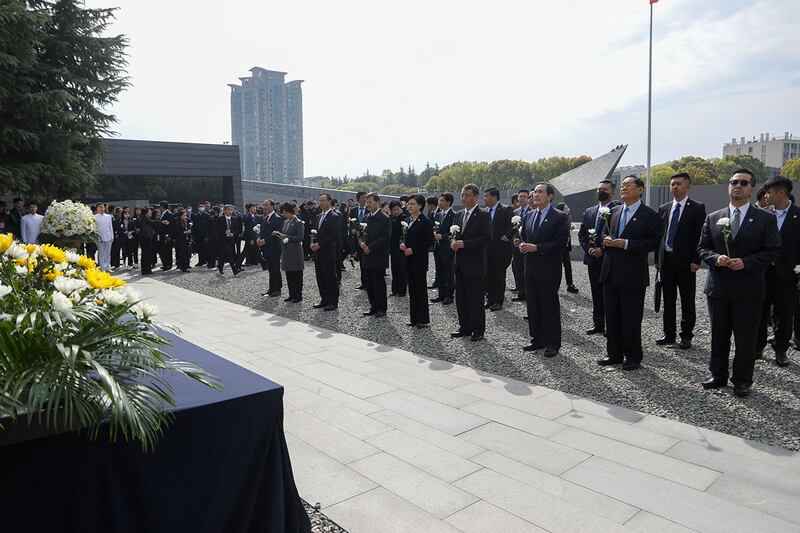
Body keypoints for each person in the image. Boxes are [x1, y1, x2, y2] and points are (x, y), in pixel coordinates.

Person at [698, 169, 781, 396]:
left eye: (743, 183)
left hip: (748, 289)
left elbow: (773, 250)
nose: (738, 186)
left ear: (752, 189)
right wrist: (716, 258)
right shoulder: (713, 218)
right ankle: (718, 374)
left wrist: (746, 262)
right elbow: (702, 248)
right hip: (719, 288)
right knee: (718, 334)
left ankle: (743, 379)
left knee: (746, 338)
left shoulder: (765, 219)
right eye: (733, 182)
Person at [597, 175, 662, 371]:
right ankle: (614, 353)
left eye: (629, 185)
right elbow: (602, 233)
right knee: (612, 315)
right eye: (623, 185)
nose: (624, 188)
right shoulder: (614, 211)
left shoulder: (650, 215)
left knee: (631, 318)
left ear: (640, 189)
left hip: (633, 275)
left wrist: (626, 244)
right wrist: (605, 240)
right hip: (611, 272)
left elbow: (654, 242)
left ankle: (633, 356)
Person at [655, 172, 706, 349]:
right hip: (667, 262)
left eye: (678, 184)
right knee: (668, 300)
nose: (674, 187)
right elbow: (659, 237)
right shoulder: (664, 208)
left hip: (686, 263)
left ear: (688, 186)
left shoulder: (697, 208)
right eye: (672, 184)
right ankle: (668, 334)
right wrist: (657, 260)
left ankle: (686, 335)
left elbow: (700, 236)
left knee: (687, 300)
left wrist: (696, 260)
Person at [519, 183, 570, 357]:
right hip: (530, 267)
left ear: (550, 196)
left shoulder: (560, 217)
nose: (535, 195)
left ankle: (552, 343)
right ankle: (537, 339)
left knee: (549, 305)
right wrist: (522, 245)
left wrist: (537, 248)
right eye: (534, 193)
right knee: (533, 304)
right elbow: (526, 237)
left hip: (548, 268)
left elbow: (560, 243)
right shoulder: (529, 215)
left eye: (540, 192)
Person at [756, 175, 799, 367]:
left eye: (769, 192)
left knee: (785, 313)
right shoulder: (763, 214)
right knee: (759, 310)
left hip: (787, 274)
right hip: (762, 273)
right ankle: (757, 347)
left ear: (781, 193)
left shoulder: (798, 216)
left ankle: (781, 350)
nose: (765, 196)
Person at [450, 184, 492, 342]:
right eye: (462, 195)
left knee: (475, 298)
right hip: (459, 262)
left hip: (475, 263)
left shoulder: (483, 214)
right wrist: (452, 242)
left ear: (476, 197)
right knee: (460, 297)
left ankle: (477, 329)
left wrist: (465, 244)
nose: (463, 198)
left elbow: (486, 237)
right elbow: (451, 234)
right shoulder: (459, 214)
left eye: (467, 195)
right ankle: (464, 327)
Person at [577, 179, 618, 335]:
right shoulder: (590, 211)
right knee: (596, 293)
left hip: (609, 259)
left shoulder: (617, 210)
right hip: (592, 259)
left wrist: (603, 249)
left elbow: (617, 235)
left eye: (605, 189)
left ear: (612, 192)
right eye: (599, 188)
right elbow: (582, 234)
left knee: (609, 294)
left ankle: (610, 325)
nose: (601, 191)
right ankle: (598, 323)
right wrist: (589, 249)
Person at [401, 194, 435, 328]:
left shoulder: (425, 221)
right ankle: (413, 318)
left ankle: (422, 319)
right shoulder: (407, 220)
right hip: (408, 260)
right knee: (412, 290)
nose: (409, 206)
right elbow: (401, 237)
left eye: (413, 204)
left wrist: (414, 249)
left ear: (420, 205)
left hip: (419, 260)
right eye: (408, 204)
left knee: (420, 290)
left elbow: (429, 241)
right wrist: (401, 244)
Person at [360, 193, 391, 318]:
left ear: (377, 202)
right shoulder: (366, 217)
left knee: (378, 283)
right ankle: (373, 306)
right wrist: (361, 243)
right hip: (366, 255)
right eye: (366, 202)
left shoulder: (385, 218)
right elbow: (360, 233)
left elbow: (385, 237)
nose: (367, 204)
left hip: (377, 255)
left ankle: (381, 308)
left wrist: (371, 248)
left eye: (370, 202)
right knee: (369, 283)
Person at [484, 187, 514, 311]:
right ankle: (490, 300)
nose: (484, 199)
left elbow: (514, 224)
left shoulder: (506, 209)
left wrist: (508, 236)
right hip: (487, 249)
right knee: (488, 275)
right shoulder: (485, 211)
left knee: (499, 276)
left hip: (501, 249)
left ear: (495, 197)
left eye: (487, 196)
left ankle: (498, 300)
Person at [311, 194, 341, 311]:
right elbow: (314, 232)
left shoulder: (334, 216)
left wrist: (320, 244)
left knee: (330, 277)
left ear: (329, 201)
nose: (321, 203)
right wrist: (312, 243)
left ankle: (333, 301)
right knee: (320, 276)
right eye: (320, 201)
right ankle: (324, 299)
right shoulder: (318, 216)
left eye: (323, 201)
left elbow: (333, 235)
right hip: (317, 252)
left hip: (328, 251)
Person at [272, 202, 305, 303]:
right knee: (289, 274)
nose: (284, 215)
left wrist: (286, 237)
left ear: (290, 212)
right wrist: (280, 235)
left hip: (295, 251)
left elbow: (300, 237)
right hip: (287, 250)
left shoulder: (298, 222)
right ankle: (291, 294)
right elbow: (285, 234)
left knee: (297, 274)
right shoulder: (286, 222)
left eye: (285, 213)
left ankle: (298, 295)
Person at [431, 193, 455, 305]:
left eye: (441, 200)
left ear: (448, 202)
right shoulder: (438, 214)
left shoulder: (454, 215)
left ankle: (449, 295)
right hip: (438, 247)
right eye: (439, 200)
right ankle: (441, 294)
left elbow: (454, 232)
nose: (439, 202)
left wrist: (443, 236)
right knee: (439, 271)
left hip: (448, 248)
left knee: (448, 272)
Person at [258, 200, 283, 296]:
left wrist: (265, 240)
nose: (264, 207)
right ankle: (271, 288)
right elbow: (263, 232)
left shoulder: (277, 218)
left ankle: (277, 289)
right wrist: (259, 239)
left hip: (274, 247)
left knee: (275, 268)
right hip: (266, 247)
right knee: (270, 268)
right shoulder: (264, 218)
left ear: (272, 206)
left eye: (266, 205)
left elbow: (277, 233)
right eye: (263, 205)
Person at [511, 189, 531, 301]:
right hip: (516, 247)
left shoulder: (532, 211)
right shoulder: (515, 212)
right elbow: (512, 230)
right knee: (518, 269)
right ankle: (521, 292)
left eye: (524, 196)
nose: (522, 198)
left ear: (528, 198)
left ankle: (529, 294)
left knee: (527, 271)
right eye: (520, 197)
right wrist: (514, 239)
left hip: (528, 246)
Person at [556, 202, 579, 294]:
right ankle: (555, 285)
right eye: (566, 208)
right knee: (557, 267)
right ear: (562, 210)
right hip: (558, 246)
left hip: (566, 246)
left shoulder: (569, 217)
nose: (568, 209)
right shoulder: (557, 218)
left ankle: (570, 284)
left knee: (567, 265)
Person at [215, 204, 242, 276]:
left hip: (231, 239)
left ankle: (220, 266)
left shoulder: (234, 218)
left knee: (224, 255)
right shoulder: (220, 219)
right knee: (229, 254)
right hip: (222, 239)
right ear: (224, 211)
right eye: (228, 210)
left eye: (231, 210)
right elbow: (216, 229)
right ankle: (234, 270)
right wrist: (224, 232)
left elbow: (236, 229)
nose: (230, 211)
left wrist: (233, 233)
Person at [388, 201, 408, 297]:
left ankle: (402, 290)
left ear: (401, 208)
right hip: (393, 246)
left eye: (397, 209)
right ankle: (394, 289)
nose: (395, 211)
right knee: (394, 267)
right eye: (393, 210)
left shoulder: (404, 218)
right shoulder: (391, 218)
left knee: (401, 269)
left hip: (401, 246)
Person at [352, 191, 369, 290]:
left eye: (366, 197)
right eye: (363, 197)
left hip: (366, 239)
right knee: (361, 262)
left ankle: (368, 283)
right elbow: (350, 223)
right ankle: (364, 283)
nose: (365, 199)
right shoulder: (353, 210)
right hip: (356, 239)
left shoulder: (369, 210)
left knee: (367, 262)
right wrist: (352, 230)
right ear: (358, 199)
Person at [94, 202, 115, 272]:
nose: (102, 208)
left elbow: (110, 227)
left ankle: (108, 267)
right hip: (99, 238)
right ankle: (102, 267)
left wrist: (112, 236)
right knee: (101, 253)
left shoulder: (108, 217)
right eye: (100, 207)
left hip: (108, 237)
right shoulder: (94, 217)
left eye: (102, 207)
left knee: (108, 253)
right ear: (97, 208)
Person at [240, 203, 261, 267]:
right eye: (253, 208)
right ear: (249, 209)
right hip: (250, 237)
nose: (255, 209)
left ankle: (256, 261)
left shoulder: (254, 216)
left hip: (255, 236)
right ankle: (241, 263)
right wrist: (251, 239)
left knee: (256, 250)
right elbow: (248, 229)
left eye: (255, 207)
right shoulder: (248, 217)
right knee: (246, 251)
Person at [138, 207, 156, 275]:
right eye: (149, 212)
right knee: (146, 255)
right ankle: (146, 270)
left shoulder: (146, 219)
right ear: (146, 213)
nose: (151, 213)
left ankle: (147, 270)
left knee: (147, 255)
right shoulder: (144, 219)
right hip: (145, 239)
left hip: (147, 238)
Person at [157, 201, 173, 270]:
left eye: (160, 206)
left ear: (163, 207)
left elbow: (171, 225)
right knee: (164, 250)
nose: (159, 208)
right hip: (162, 235)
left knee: (168, 250)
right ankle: (165, 264)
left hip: (166, 235)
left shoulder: (169, 214)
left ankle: (168, 265)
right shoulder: (162, 214)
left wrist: (169, 235)